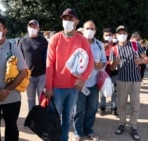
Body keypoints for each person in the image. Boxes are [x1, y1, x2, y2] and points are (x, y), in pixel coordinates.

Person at [45, 8, 94, 141]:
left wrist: (83, 78)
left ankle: (64, 139)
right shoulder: (55, 39)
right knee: (53, 119)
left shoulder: (82, 40)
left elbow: (90, 61)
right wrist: (48, 87)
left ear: (77, 22)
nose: (67, 22)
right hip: (57, 88)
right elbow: (49, 64)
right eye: (65, 19)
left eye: (70, 19)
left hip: (73, 88)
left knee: (67, 119)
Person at [110, 25, 148, 141]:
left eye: (124, 32)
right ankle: (122, 123)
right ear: (116, 35)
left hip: (135, 80)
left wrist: (141, 61)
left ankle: (133, 126)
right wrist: (115, 63)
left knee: (135, 105)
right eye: (119, 33)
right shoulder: (114, 49)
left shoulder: (135, 45)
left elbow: (147, 59)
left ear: (127, 34)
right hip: (121, 80)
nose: (122, 35)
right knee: (121, 104)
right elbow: (112, 68)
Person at [72, 20, 106, 141]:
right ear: (83, 29)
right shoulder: (76, 43)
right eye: (87, 28)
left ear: (95, 31)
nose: (89, 31)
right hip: (79, 83)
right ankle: (77, 132)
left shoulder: (99, 45)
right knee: (79, 109)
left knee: (92, 109)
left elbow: (104, 62)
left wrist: (100, 64)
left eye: (92, 29)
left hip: (94, 83)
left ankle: (89, 130)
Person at [19, 20, 48, 111]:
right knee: (30, 99)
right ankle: (31, 120)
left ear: (38, 29)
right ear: (27, 28)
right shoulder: (23, 41)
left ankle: (41, 119)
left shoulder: (43, 41)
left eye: (34, 27)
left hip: (42, 75)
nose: (32, 28)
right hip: (28, 76)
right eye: (30, 26)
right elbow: (19, 57)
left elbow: (47, 57)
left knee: (41, 99)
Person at [100, 27, 118, 116]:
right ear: (103, 36)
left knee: (114, 90)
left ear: (113, 35)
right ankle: (102, 105)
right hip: (103, 72)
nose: (108, 37)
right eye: (106, 35)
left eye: (110, 35)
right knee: (102, 89)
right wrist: (103, 49)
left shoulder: (116, 45)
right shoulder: (99, 45)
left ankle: (114, 107)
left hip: (114, 71)